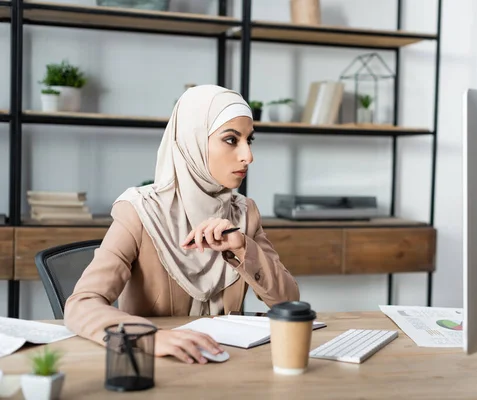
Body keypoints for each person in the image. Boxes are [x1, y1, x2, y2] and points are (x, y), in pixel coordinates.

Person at [64, 85, 300, 365]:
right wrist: (149, 337)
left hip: (225, 364)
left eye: (249, 140)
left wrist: (241, 246)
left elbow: (288, 304)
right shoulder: (140, 211)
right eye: (231, 140)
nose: (248, 156)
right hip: (156, 366)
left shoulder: (244, 213)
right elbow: (81, 305)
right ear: (193, 140)